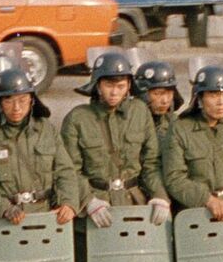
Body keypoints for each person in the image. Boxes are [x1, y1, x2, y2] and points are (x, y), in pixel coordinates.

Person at [0, 68, 83, 228]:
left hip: (48, 216)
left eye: (22, 100)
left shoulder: (46, 130)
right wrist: (3, 208)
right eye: (9, 101)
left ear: (31, 100)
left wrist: (69, 203)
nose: (16, 108)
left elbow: (65, 171)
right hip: (6, 221)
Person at [63, 51, 166, 228]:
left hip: (134, 204)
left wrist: (160, 196)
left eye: (121, 86)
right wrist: (89, 201)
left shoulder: (140, 111)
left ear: (128, 87)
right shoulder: (77, 118)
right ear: (97, 85)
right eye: (109, 85)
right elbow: (70, 170)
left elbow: (151, 162)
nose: (114, 92)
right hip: (96, 207)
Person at [160, 64, 223, 223]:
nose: (221, 101)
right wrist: (207, 199)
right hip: (196, 213)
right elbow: (174, 178)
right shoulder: (180, 130)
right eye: (213, 95)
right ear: (200, 98)